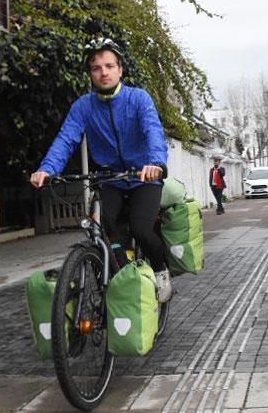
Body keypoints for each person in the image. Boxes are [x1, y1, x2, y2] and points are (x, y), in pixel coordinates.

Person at [29, 37, 173, 303]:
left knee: (141, 229)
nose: (103, 72)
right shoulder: (83, 106)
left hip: (144, 177)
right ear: (91, 74)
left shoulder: (138, 99)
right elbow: (66, 138)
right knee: (107, 231)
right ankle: (125, 279)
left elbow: (153, 131)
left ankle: (161, 270)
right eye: (96, 68)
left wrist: (155, 164)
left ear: (120, 70)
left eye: (109, 66)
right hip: (110, 179)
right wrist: (47, 169)